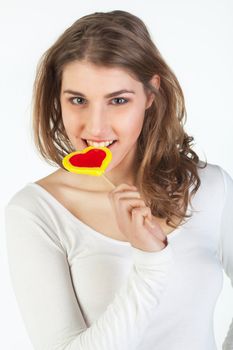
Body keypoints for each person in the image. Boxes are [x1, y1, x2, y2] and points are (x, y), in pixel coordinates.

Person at [4, 9, 233, 350]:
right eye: (78, 100)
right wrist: (150, 263)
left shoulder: (212, 187)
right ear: (58, 99)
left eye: (119, 100)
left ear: (151, 95)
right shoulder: (36, 212)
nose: (96, 127)